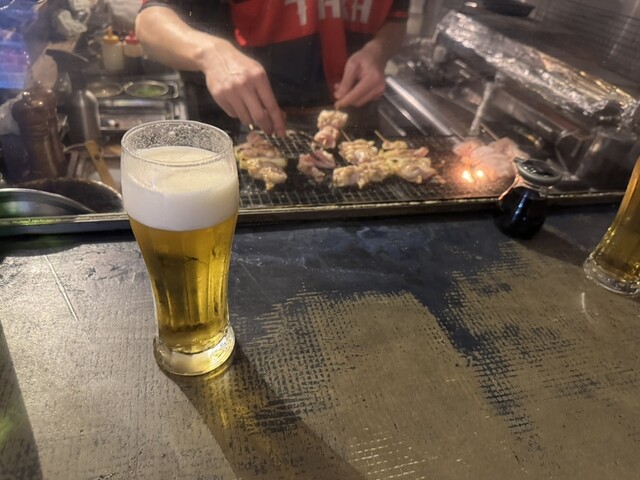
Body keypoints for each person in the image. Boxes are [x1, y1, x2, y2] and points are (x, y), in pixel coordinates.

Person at [135, 0, 409, 136]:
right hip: (262, 121)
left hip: (359, 119)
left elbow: (396, 21)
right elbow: (150, 22)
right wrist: (211, 53)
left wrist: (378, 51)